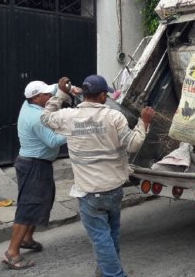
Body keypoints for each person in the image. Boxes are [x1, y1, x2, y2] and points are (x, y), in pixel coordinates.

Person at [41, 75, 155, 277]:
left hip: (89, 192)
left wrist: (60, 94)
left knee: (102, 238)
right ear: (103, 95)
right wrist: (143, 123)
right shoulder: (114, 117)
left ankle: (111, 273)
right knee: (110, 235)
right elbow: (133, 145)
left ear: (84, 94)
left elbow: (45, 117)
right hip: (113, 189)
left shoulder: (68, 117)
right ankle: (109, 272)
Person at [2, 81, 68, 269]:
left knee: (41, 202)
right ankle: (12, 252)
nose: (50, 97)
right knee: (28, 207)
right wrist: (75, 131)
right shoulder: (37, 117)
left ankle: (27, 239)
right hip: (34, 166)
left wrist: (64, 86)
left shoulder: (28, 103)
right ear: (36, 98)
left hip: (34, 164)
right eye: (46, 95)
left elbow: (55, 88)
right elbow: (53, 141)